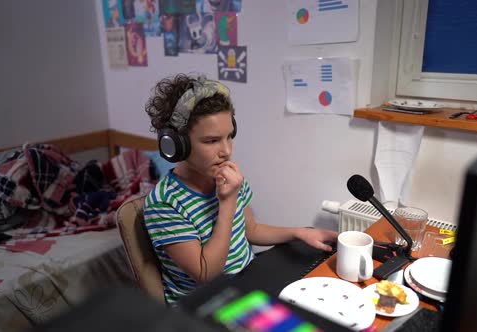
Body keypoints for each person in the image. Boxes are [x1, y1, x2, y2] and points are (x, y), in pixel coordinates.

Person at [143, 74, 338, 305]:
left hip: (247, 283)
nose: (226, 151)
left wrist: (299, 233)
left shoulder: (226, 177)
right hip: (205, 305)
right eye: (211, 141)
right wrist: (227, 202)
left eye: (229, 137)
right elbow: (206, 274)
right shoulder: (164, 203)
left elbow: (251, 229)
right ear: (176, 145)